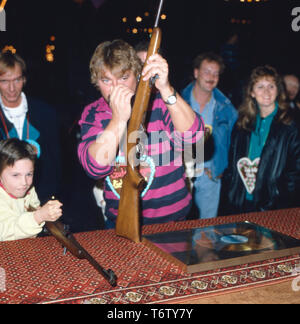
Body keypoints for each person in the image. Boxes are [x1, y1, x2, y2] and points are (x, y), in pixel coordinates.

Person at [78, 39, 204, 228]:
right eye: (106, 80)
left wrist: (165, 88)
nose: (116, 88)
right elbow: (94, 167)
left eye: (123, 78)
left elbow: (194, 138)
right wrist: (119, 119)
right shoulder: (93, 113)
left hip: (174, 220)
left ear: (137, 76)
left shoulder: (160, 103)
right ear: (96, 82)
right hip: (121, 223)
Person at [221, 65, 300, 215]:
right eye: (260, 86)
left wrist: (281, 201)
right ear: (251, 92)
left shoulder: (290, 125)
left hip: (274, 206)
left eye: (271, 86)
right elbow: (232, 166)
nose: (266, 92)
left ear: (278, 90)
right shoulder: (241, 124)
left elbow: (295, 173)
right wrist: (231, 194)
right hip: (241, 204)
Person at [181, 52, 237, 219]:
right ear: (196, 72)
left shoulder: (227, 109)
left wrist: (222, 167)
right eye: (207, 71)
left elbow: (233, 144)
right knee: (177, 226)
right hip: (182, 172)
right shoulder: (178, 102)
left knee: (207, 228)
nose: (212, 77)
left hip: (210, 174)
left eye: (216, 73)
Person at [0, 51, 61, 203]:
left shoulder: (46, 113)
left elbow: (55, 160)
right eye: (5, 81)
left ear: (24, 79)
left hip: (41, 197)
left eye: (17, 80)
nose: (12, 88)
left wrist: (49, 197)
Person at [0, 138, 62, 241]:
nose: (24, 182)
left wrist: (43, 212)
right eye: (16, 175)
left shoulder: (27, 189)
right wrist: (38, 216)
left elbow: (33, 206)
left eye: (29, 174)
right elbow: (5, 232)